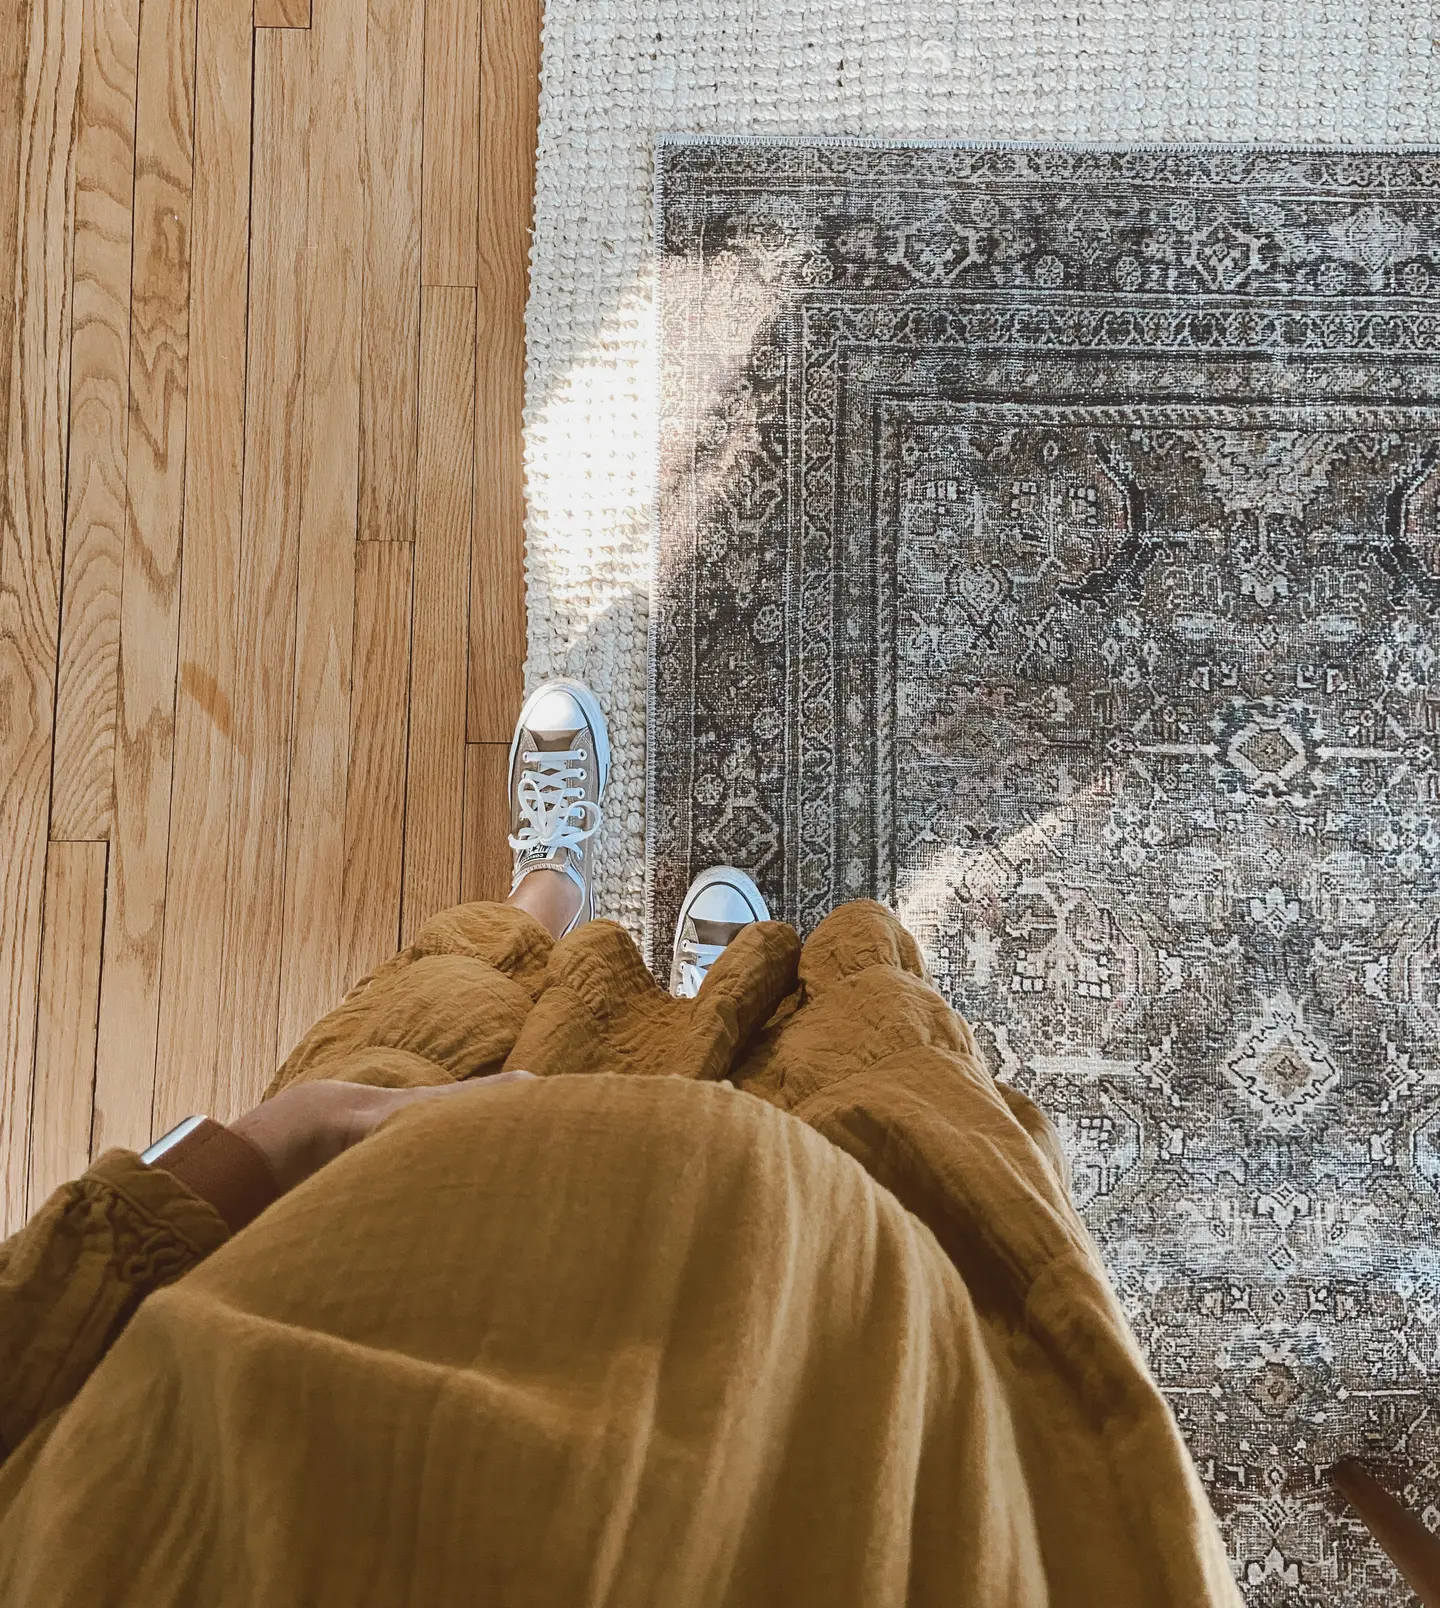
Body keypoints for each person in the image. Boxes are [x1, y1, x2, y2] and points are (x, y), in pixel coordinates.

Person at [0, 681, 1242, 1606]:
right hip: (892, 1373)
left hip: (374, 1245)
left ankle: (550, 884)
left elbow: (34, 1337)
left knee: (449, 1018)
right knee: (856, 1099)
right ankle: (721, 1020)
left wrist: (276, 1140)